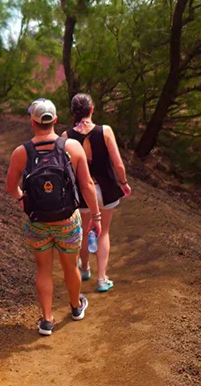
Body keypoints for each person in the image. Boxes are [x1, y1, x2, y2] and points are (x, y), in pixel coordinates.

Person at [6, 98, 102, 336]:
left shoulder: (21, 152)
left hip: (38, 222)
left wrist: (22, 199)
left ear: (33, 121)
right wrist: (96, 217)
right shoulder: (72, 147)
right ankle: (75, 307)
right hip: (67, 221)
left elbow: (10, 186)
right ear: (55, 120)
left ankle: (47, 320)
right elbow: (87, 185)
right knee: (70, 267)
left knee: (43, 269)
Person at [63, 93, 132, 293]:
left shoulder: (66, 137)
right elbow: (118, 163)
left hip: (84, 191)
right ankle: (102, 279)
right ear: (92, 110)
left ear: (73, 112)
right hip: (107, 188)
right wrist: (124, 183)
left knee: (84, 232)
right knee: (104, 233)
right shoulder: (105, 131)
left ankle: (84, 269)